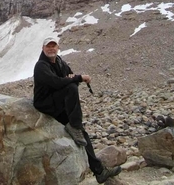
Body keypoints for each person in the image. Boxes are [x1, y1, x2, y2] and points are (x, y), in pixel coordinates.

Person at [33, 36, 122, 184]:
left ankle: (99, 171)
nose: (51, 48)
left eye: (53, 46)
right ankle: (74, 125)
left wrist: (73, 78)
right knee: (71, 87)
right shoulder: (41, 65)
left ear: (58, 48)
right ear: (43, 49)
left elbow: (69, 75)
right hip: (45, 104)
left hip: (57, 104)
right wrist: (78, 78)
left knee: (81, 132)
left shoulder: (60, 62)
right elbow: (56, 83)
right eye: (48, 46)